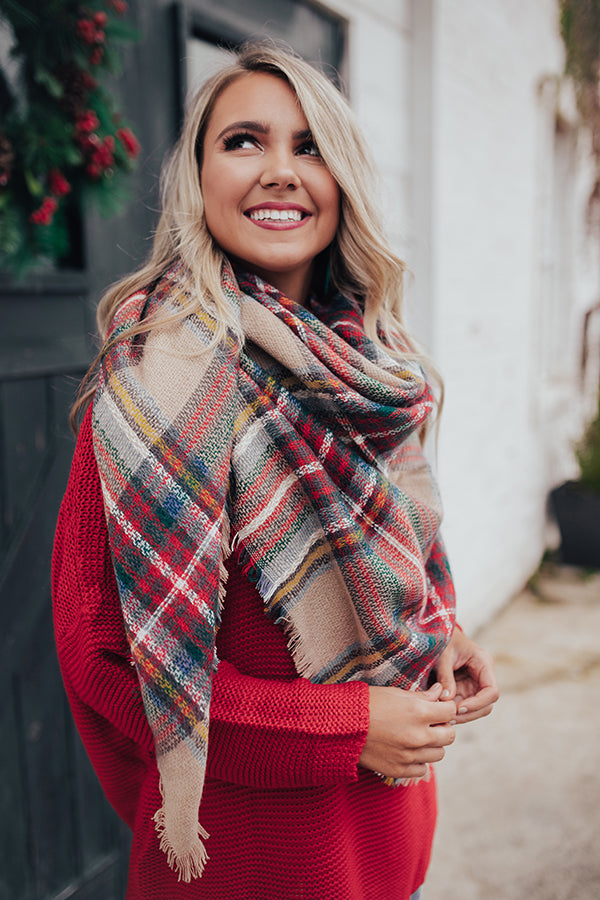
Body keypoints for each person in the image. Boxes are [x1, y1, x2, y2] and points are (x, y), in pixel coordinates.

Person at [52, 42, 499, 900]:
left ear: (345, 181)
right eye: (245, 141)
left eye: (310, 146)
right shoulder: (154, 388)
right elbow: (104, 664)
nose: (281, 172)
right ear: (197, 175)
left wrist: (441, 630)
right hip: (252, 860)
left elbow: (400, 554)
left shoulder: (372, 363)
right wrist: (345, 728)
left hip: (384, 836)